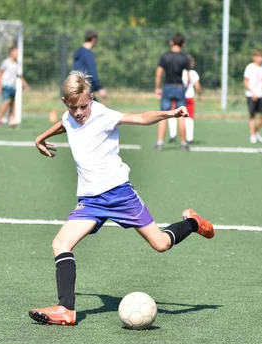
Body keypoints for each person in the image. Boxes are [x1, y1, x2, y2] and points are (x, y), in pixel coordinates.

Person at [28, 71, 215, 326]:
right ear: (65, 103)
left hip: (119, 194)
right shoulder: (69, 115)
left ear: (91, 98)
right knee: (60, 243)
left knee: (160, 243)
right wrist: (41, 137)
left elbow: (139, 117)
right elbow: (65, 123)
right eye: (74, 107)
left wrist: (169, 114)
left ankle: (192, 223)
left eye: (84, 105)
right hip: (90, 201)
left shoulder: (103, 115)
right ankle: (66, 309)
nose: (80, 112)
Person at [154, 32, 191, 151]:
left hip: (168, 87)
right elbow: (189, 77)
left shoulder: (165, 56)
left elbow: (159, 73)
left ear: (171, 42)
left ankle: (160, 143)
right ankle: (184, 143)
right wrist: (184, 88)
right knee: (181, 116)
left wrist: (157, 88)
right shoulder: (185, 58)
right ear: (183, 44)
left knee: (163, 115)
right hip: (179, 87)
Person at [168, 55, 202, 144]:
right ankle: (189, 137)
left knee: (173, 114)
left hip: (178, 95)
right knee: (189, 117)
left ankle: (173, 134)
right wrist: (200, 95)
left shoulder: (180, 72)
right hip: (189, 96)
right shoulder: (193, 73)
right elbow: (198, 86)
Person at [0, 46, 30, 127]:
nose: (17, 53)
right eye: (16, 52)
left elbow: (18, 75)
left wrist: (24, 84)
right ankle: (0, 119)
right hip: (6, 85)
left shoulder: (17, 63)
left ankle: (11, 120)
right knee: (6, 102)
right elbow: (0, 73)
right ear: (11, 53)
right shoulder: (6, 62)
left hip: (13, 86)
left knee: (12, 104)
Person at [72, 30, 107, 100]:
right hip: (87, 88)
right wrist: (100, 88)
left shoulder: (78, 52)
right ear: (94, 39)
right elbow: (92, 72)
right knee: (96, 109)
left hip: (77, 86)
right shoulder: (88, 54)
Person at [243, 49, 262, 144]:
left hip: (261, 94)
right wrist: (252, 92)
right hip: (251, 95)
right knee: (252, 115)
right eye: (259, 56)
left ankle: (256, 131)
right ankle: (252, 135)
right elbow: (245, 81)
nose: (261, 58)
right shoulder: (250, 67)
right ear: (254, 57)